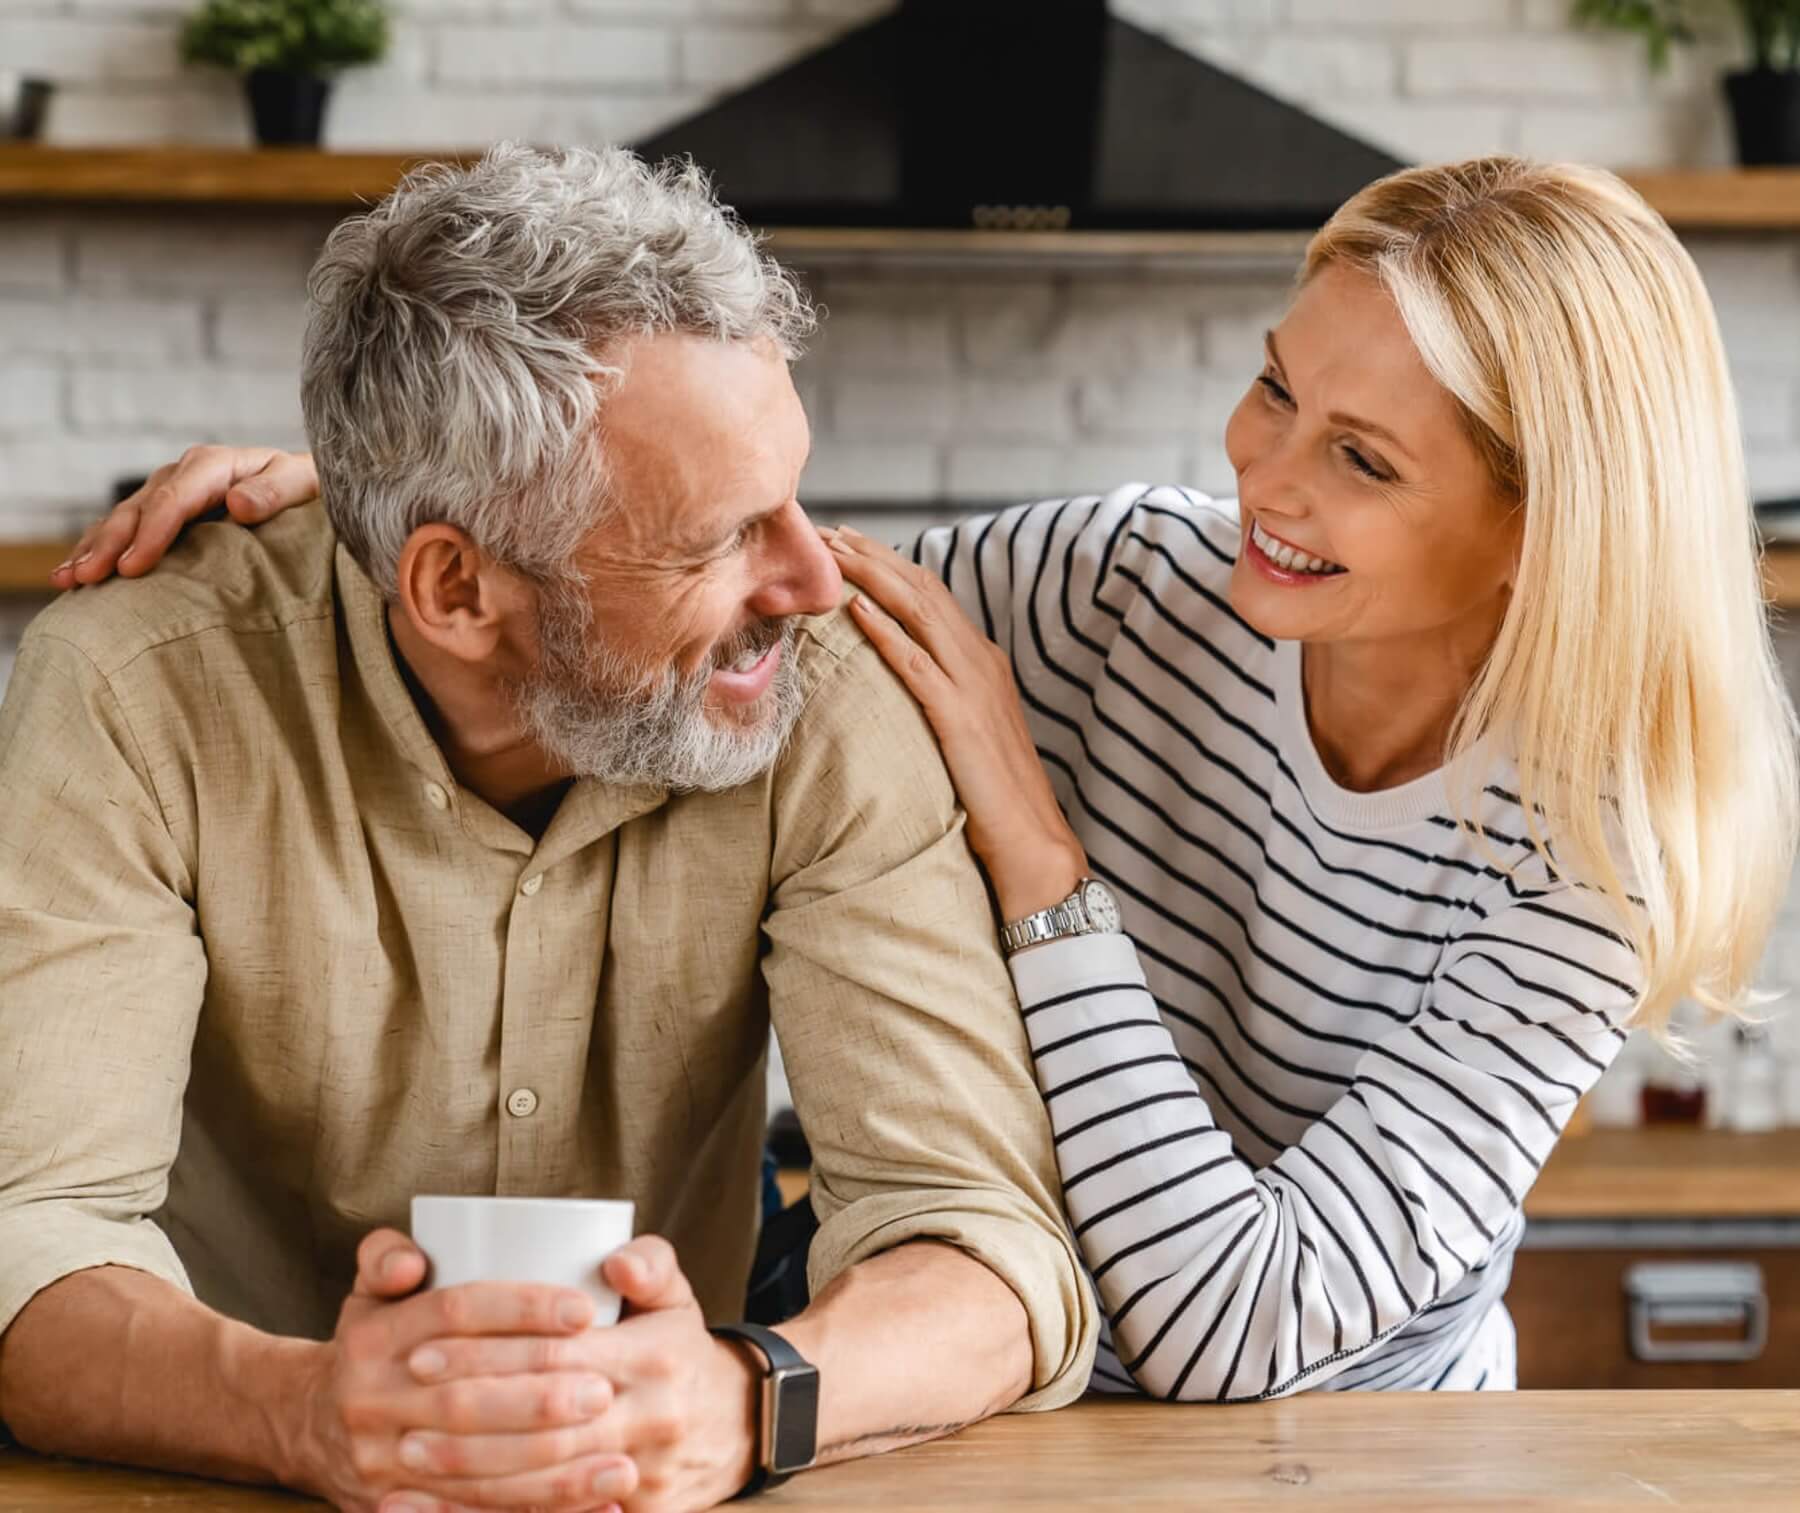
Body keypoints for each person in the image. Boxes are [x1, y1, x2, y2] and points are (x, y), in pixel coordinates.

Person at [63, 157, 1799, 1398]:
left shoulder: (1597, 854)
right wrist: (383, 491)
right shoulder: (1134, 580)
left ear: (1543, 533)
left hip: (1342, 1440)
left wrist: (1041, 860)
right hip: (992, 1410)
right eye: (1275, 388)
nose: (1259, 471)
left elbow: (1235, 1321)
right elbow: (696, 585)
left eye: (1358, 458)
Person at [0, 145, 1097, 1513]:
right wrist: (296, 1413)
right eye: (719, 537)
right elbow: (27, 1236)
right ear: (455, 588)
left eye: (795, 494)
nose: (813, 575)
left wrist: (751, 1398)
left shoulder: (823, 691)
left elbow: (989, 1248)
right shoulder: (134, 688)